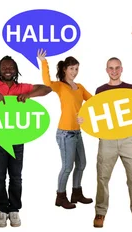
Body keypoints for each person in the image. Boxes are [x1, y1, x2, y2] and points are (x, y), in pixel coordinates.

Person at [0, 56, 52, 227]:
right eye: (4, 67)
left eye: (11, 67)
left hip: (18, 138)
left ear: (15, 70)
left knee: (16, 176)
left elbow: (46, 89)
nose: (8, 70)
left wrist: (28, 94)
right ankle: (1, 208)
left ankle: (14, 209)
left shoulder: (21, 87)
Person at [84, 57, 132, 229]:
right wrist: (85, 120)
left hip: (128, 138)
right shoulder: (100, 90)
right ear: (106, 70)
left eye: (117, 68)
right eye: (111, 68)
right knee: (102, 177)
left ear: (122, 69)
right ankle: (100, 212)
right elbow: (96, 114)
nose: (114, 71)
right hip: (107, 140)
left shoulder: (130, 89)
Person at [37, 48, 94, 209]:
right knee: (67, 166)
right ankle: (60, 197)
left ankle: (76, 193)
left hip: (77, 132)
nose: (75, 72)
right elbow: (47, 82)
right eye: (72, 69)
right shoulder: (60, 86)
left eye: (77, 69)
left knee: (82, 163)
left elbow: (93, 103)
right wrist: (43, 62)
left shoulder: (80, 87)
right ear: (65, 69)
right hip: (65, 133)